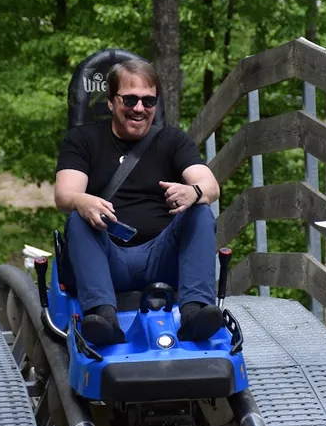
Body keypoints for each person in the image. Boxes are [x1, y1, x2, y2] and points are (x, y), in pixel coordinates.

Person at [55, 59, 223, 347]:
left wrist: (193, 192)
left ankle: (195, 314)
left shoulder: (172, 140)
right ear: (111, 101)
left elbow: (211, 186)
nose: (139, 108)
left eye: (148, 101)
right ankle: (103, 319)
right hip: (107, 258)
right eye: (130, 100)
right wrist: (82, 200)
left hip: (162, 256)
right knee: (78, 217)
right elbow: (64, 194)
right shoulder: (82, 139)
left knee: (200, 210)